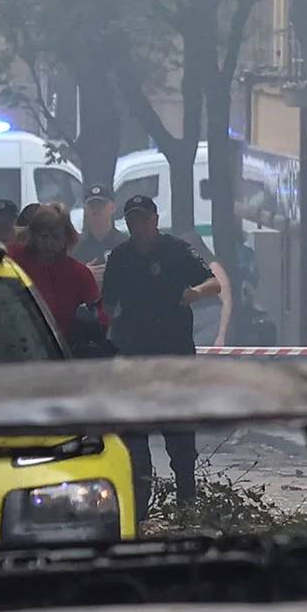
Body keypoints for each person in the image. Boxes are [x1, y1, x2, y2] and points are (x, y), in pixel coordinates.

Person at [98, 193, 222, 518]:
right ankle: (140, 506)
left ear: (154, 219)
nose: (138, 225)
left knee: (180, 438)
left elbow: (214, 283)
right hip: (134, 357)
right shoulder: (121, 257)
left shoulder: (177, 250)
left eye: (143, 219)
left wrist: (194, 293)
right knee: (135, 438)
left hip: (174, 355)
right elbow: (107, 303)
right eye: (132, 220)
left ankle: (186, 505)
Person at [6, 204, 102, 344]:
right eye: (44, 236)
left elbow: (99, 315)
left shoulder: (79, 274)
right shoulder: (11, 260)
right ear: (32, 235)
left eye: (55, 237)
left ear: (67, 238)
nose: (49, 244)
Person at [73, 183, 128, 267]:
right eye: (92, 206)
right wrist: (85, 273)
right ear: (85, 210)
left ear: (112, 208)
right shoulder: (76, 248)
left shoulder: (125, 245)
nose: (96, 210)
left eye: (101, 205)